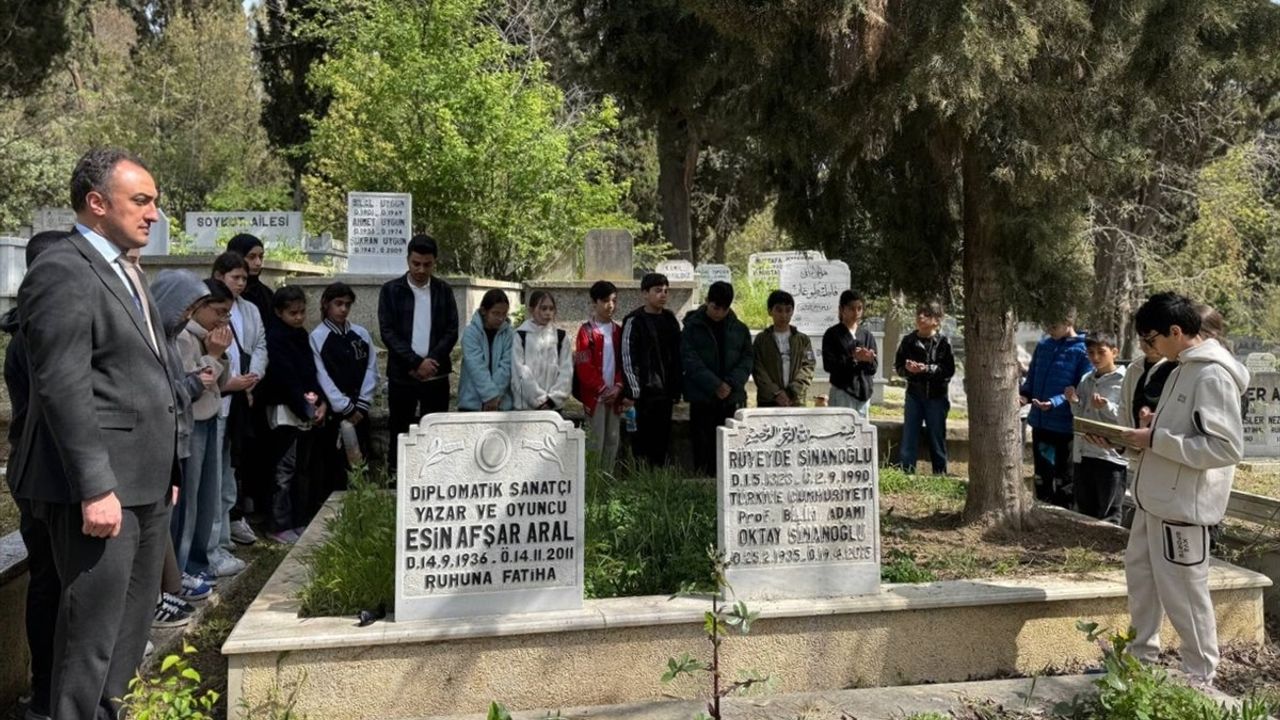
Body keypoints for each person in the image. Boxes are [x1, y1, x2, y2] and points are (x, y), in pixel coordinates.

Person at [12, 148, 179, 719]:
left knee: (129, 638)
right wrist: (94, 488)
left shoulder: (128, 269)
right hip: (102, 490)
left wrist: (172, 467)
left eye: (154, 201)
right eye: (142, 200)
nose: (154, 213)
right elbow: (62, 386)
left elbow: (153, 373)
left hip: (146, 486)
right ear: (96, 202)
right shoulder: (62, 269)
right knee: (90, 641)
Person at [1115, 292, 1249, 686]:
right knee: (1141, 578)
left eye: (1152, 339)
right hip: (1154, 498)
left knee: (1185, 593)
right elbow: (1182, 430)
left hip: (1183, 506)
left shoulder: (1211, 374)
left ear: (1175, 331)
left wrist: (1156, 439)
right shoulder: (1182, 368)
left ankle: (1199, 675)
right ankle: (1139, 659)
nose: (1149, 349)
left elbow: (1225, 448)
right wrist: (1150, 432)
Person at [1, 230, 65, 720]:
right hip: (42, 473)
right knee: (49, 581)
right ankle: (46, 692)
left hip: (42, 468)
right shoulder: (34, 334)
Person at [150, 270, 220, 628]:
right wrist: (194, 382)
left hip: (176, 436)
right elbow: (161, 391)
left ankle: (172, 584)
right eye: (187, 306)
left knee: (182, 509)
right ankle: (162, 591)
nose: (188, 315)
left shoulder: (171, 336)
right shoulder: (156, 340)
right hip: (156, 444)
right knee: (169, 519)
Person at [173, 279, 239, 580]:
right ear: (199, 306)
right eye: (219, 312)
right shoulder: (184, 338)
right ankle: (185, 564)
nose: (223, 320)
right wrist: (212, 355)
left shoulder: (209, 337)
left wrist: (219, 354)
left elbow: (221, 385)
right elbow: (192, 388)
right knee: (190, 499)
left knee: (209, 495)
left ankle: (204, 557)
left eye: (228, 314)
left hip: (213, 419)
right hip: (193, 424)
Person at [378, 234, 460, 473]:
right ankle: (396, 480)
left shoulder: (443, 291)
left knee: (435, 432)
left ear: (434, 262)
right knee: (400, 430)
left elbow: (451, 330)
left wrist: (430, 361)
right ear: (408, 260)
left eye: (427, 264)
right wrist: (414, 362)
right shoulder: (391, 291)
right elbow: (388, 332)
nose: (421, 270)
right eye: (416, 264)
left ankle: (433, 478)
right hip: (403, 376)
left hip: (435, 375)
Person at [259, 286, 328, 543]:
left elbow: (310, 371)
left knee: (301, 468)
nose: (299, 317)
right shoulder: (275, 338)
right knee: (282, 470)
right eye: (293, 313)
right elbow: (284, 378)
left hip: (304, 408)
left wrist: (319, 401)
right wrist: (306, 408)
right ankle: (277, 523)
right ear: (279, 312)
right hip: (285, 410)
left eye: (301, 312)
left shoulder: (300, 335)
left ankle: (298, 518)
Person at [211, 252, 265, 548]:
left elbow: (259, 345)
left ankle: (225, 530)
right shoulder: (208, 309)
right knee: (212, 472)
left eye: (245, 278)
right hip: (218, 397)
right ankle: (211, 540)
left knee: (230, 467)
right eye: (236, 277)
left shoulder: (251, 310)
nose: (242, 283)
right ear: (219, 276)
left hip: (242, 395)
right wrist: (230, 381)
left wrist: (251, 378)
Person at [1019, 311, 1092, 508]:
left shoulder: (1084, 349)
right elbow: (1032, 377)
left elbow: (1081, 386)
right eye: (1047, 325)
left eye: (1054, 325)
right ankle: (1040, 509)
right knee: (1041, 476)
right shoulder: (1044, 345)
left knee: (1064, 480)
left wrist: (1055, 402)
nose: (1049, 330)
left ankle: (1064, 515)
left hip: (1065, 425)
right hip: (1040, 422)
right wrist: (1024, 395)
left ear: (1068, 321)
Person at [225, 233, 274, 527]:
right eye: (251, 257)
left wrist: (254, 378)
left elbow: (262, 343)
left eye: (260, 257)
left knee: (254, 450)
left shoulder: (261, 299)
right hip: (229, 386)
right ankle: (233, 511)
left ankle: (251, 505)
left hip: (256, 385)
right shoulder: (219, 299)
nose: (256, 264)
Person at [311, 282, 378, 494]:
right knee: (335, 465)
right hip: (336, 413)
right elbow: (322, 376)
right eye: (338, 304)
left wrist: (362, 403)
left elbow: (371, 368)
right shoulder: (318, 337)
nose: (343, 309)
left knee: (361, 460)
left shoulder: (360, 334)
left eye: (347, 305)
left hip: (360, 410)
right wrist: (344, 406)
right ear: (325, 304)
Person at [682, 281, 753, 477]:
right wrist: (714, 384)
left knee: (728, 448)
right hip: (702, 396)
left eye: (724, 308)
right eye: (715, 307)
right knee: (703, 448)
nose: (719, 312)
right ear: (707, 301)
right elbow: (689, 359)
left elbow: (747, 359)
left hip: (731, 397)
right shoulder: (692, 326)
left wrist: (730, 383)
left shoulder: (739, 329)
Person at [621, 273, 683, 467]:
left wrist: (676, 388)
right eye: (658, 290)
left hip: (665, 393)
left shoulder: (670, 320)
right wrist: (633, 391)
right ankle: (641, 480)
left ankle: (659, 481)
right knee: (641, 443)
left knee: (662, 442)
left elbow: (677, 356)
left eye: (665, 291)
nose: (663, 295)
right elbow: (627, 357)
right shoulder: (634, 321)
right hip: (643, 394)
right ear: (645, 293)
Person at [1064, 333, 1127, 523]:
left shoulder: (1125, 381)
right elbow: (1080, 413)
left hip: (1110, 457)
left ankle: (1107, 550)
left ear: (1114, 352)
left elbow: (1127, 418)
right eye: (1091, 353)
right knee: (1085, 508)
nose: (1096, 358)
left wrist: (1106, 406)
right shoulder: (1086, 379)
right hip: (1084, 454)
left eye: (1101, 352)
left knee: (1109, 511)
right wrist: (1073, 401)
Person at [893, 301, 957, 475]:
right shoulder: (908, 341)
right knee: (909, 435)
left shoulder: (943, 342)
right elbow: (898, 367)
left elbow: (948, 370)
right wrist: (908, 370)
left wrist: (926, 369)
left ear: (937, 320)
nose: (921, 318)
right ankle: (906, 473)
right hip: (914, 395)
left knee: (937, 436)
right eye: (919, 314)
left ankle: (940, 473)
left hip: (936, 397)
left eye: (926, 315)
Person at [574, 281, 628, 472]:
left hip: (615, 395)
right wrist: (602, 388)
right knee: (595, 439)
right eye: (605, 300)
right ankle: (593, 481)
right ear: (594, 302)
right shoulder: (586, 332)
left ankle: (607, 478)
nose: (610, 305)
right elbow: (583, 366)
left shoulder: (619, 331)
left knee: (613, 438)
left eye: (614, 300)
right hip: (596, 396)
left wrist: (619, 387)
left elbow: (625, 362)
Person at [752, 290, 815, 408]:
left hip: (795, 400)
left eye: (788, 310)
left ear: (792, 311)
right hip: (768, 401)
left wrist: (791, 392)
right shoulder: (761, 340)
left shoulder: (803, 340)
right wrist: (776, 393)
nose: (784, 315)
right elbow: (758, 369)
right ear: (770, 311)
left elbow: (808, 367)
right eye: (779, 310)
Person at [512, 290, 573, 411]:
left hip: (553, 407)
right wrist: (539, 400)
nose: (548, 313)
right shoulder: (521, 335)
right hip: (526, 408)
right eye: (543, 308)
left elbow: (566, 371)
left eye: (551, 309)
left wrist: (552, 400)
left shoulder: (561, 337)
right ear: (531, 310)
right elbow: (519, 371)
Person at [822, 290, 878, 415]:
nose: (856, 313)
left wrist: (868, 359)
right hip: (843, 391)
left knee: (862, 432)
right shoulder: (832, 334)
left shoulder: (867, 335)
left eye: (859, 308)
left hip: (864, 394)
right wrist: (853, 359)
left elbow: (873, 368)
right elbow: (829, 365)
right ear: (842, 309)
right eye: (852, 308)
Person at [458, 288, 514, 411]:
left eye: (504, 314)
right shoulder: (470, 333)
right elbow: (476, 366)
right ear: (484, 311)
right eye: (496, 313)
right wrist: (490, 396)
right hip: (472, 403)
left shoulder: (509, 334)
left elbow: (507, 366)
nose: (500, 318)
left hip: (501, 404)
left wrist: (495, 397)